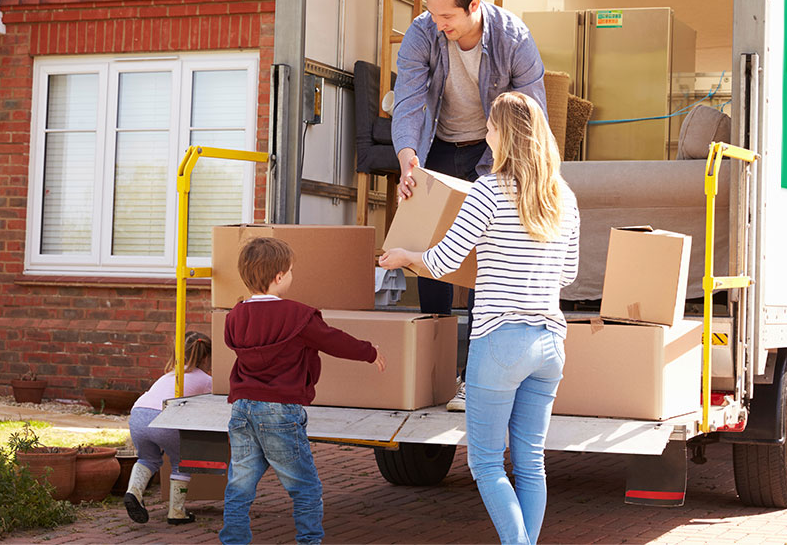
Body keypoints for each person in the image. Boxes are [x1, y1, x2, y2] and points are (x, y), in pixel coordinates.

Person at [381, 91, 579, 545]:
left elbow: (446, 259)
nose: (485, 134)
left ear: (505, 135)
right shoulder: (563, 197)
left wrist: (405, 256)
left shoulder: (488, 191)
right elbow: (567, 273)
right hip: (550, 342)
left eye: (490, 127)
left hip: (499, 340)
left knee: (486, 463)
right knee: (530, 461)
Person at [391, 0, 548, 411]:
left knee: (486, 258)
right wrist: (408, 160)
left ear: (474, 5)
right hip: (437, 146)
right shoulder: (424, 32)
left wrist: (507, 175)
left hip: (494, 152)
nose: (437, 24)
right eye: (432, 13)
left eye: (447, 17)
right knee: (430, 248)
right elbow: (409, 100)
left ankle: (474, 378)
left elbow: (529, 113)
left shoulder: (513, 38)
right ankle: (435, 373)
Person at [219, 237, 387, 545]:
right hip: (281, 410)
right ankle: (309, 541)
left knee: (239, 486)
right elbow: (333, 340)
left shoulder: (235, 316)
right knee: (305, 486)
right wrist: (369, 352)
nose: (292, 276)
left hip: (242, 408)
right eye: (291, 271)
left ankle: (233, 541)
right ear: (279, 276)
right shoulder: (298, 316)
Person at [123, 330, 213, 525]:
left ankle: (134, 492)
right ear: (206, 357)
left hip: (138, 415)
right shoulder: (206, 380)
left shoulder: (169, 375)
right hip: (165, 418)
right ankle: (176, 512)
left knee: (147, 458)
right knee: (182, 462)